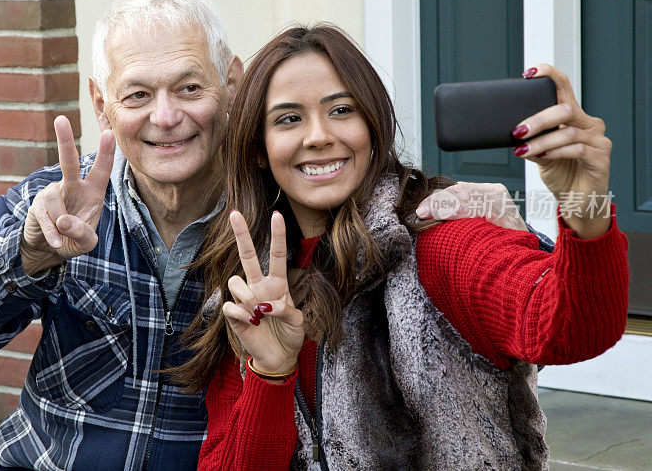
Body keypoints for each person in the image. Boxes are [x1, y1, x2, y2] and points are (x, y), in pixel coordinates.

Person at [0, 0, 536, 470]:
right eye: (137, 94)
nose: (165, 117)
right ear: (103, 104)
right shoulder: (57, 204)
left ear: (234, 84)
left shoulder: (282, 217)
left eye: (189, 88)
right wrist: (25, 254)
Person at [176, 25, 629, 469]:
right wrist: (270, 373)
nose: (317, 136)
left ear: (372, 126)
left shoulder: (436, 235)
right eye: (289, 119)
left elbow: (567, 326)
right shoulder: (245, 289)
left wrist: (586, 207)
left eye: (341, 110)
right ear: (259, 147)